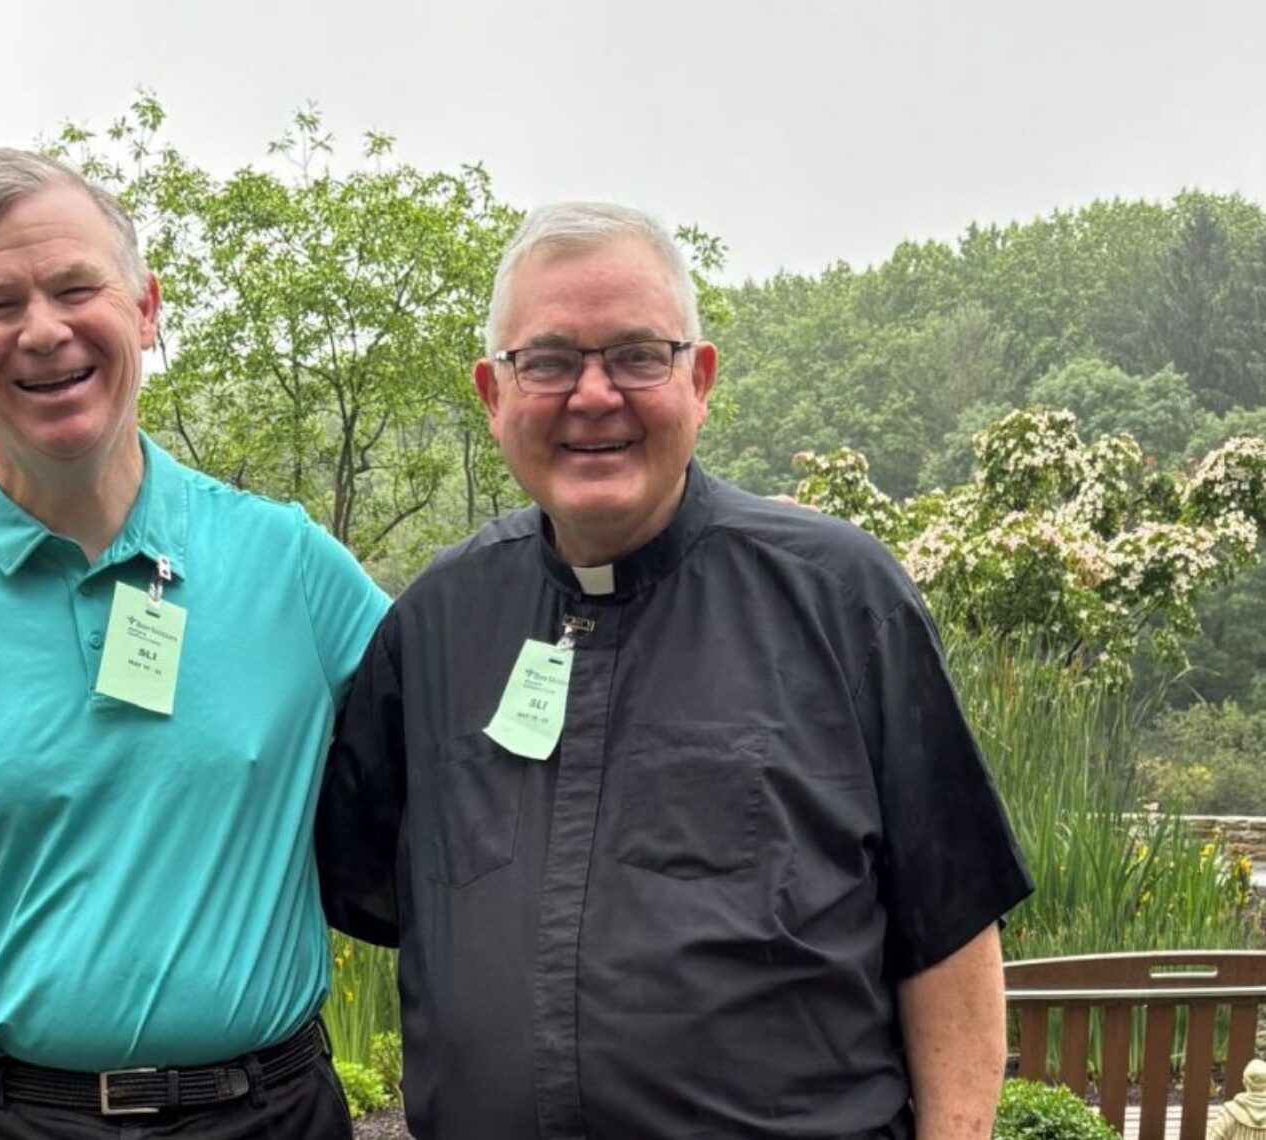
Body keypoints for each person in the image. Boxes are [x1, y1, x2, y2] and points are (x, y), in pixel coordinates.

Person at [316, 202, 1034, 1140]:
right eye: (548, 361)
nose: (593, 395)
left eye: (636, 356)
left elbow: (951, 925)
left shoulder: (841, 600)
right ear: (493, 394)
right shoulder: (434, 626)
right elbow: (369, 882)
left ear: (699, 380)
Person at [0, 149, 386, 1140]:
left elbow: (462, 745)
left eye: (76, 287)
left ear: (146, 308)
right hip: (2, 1118)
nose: (43, 330)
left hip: (270, 1113)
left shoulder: (291, 566)